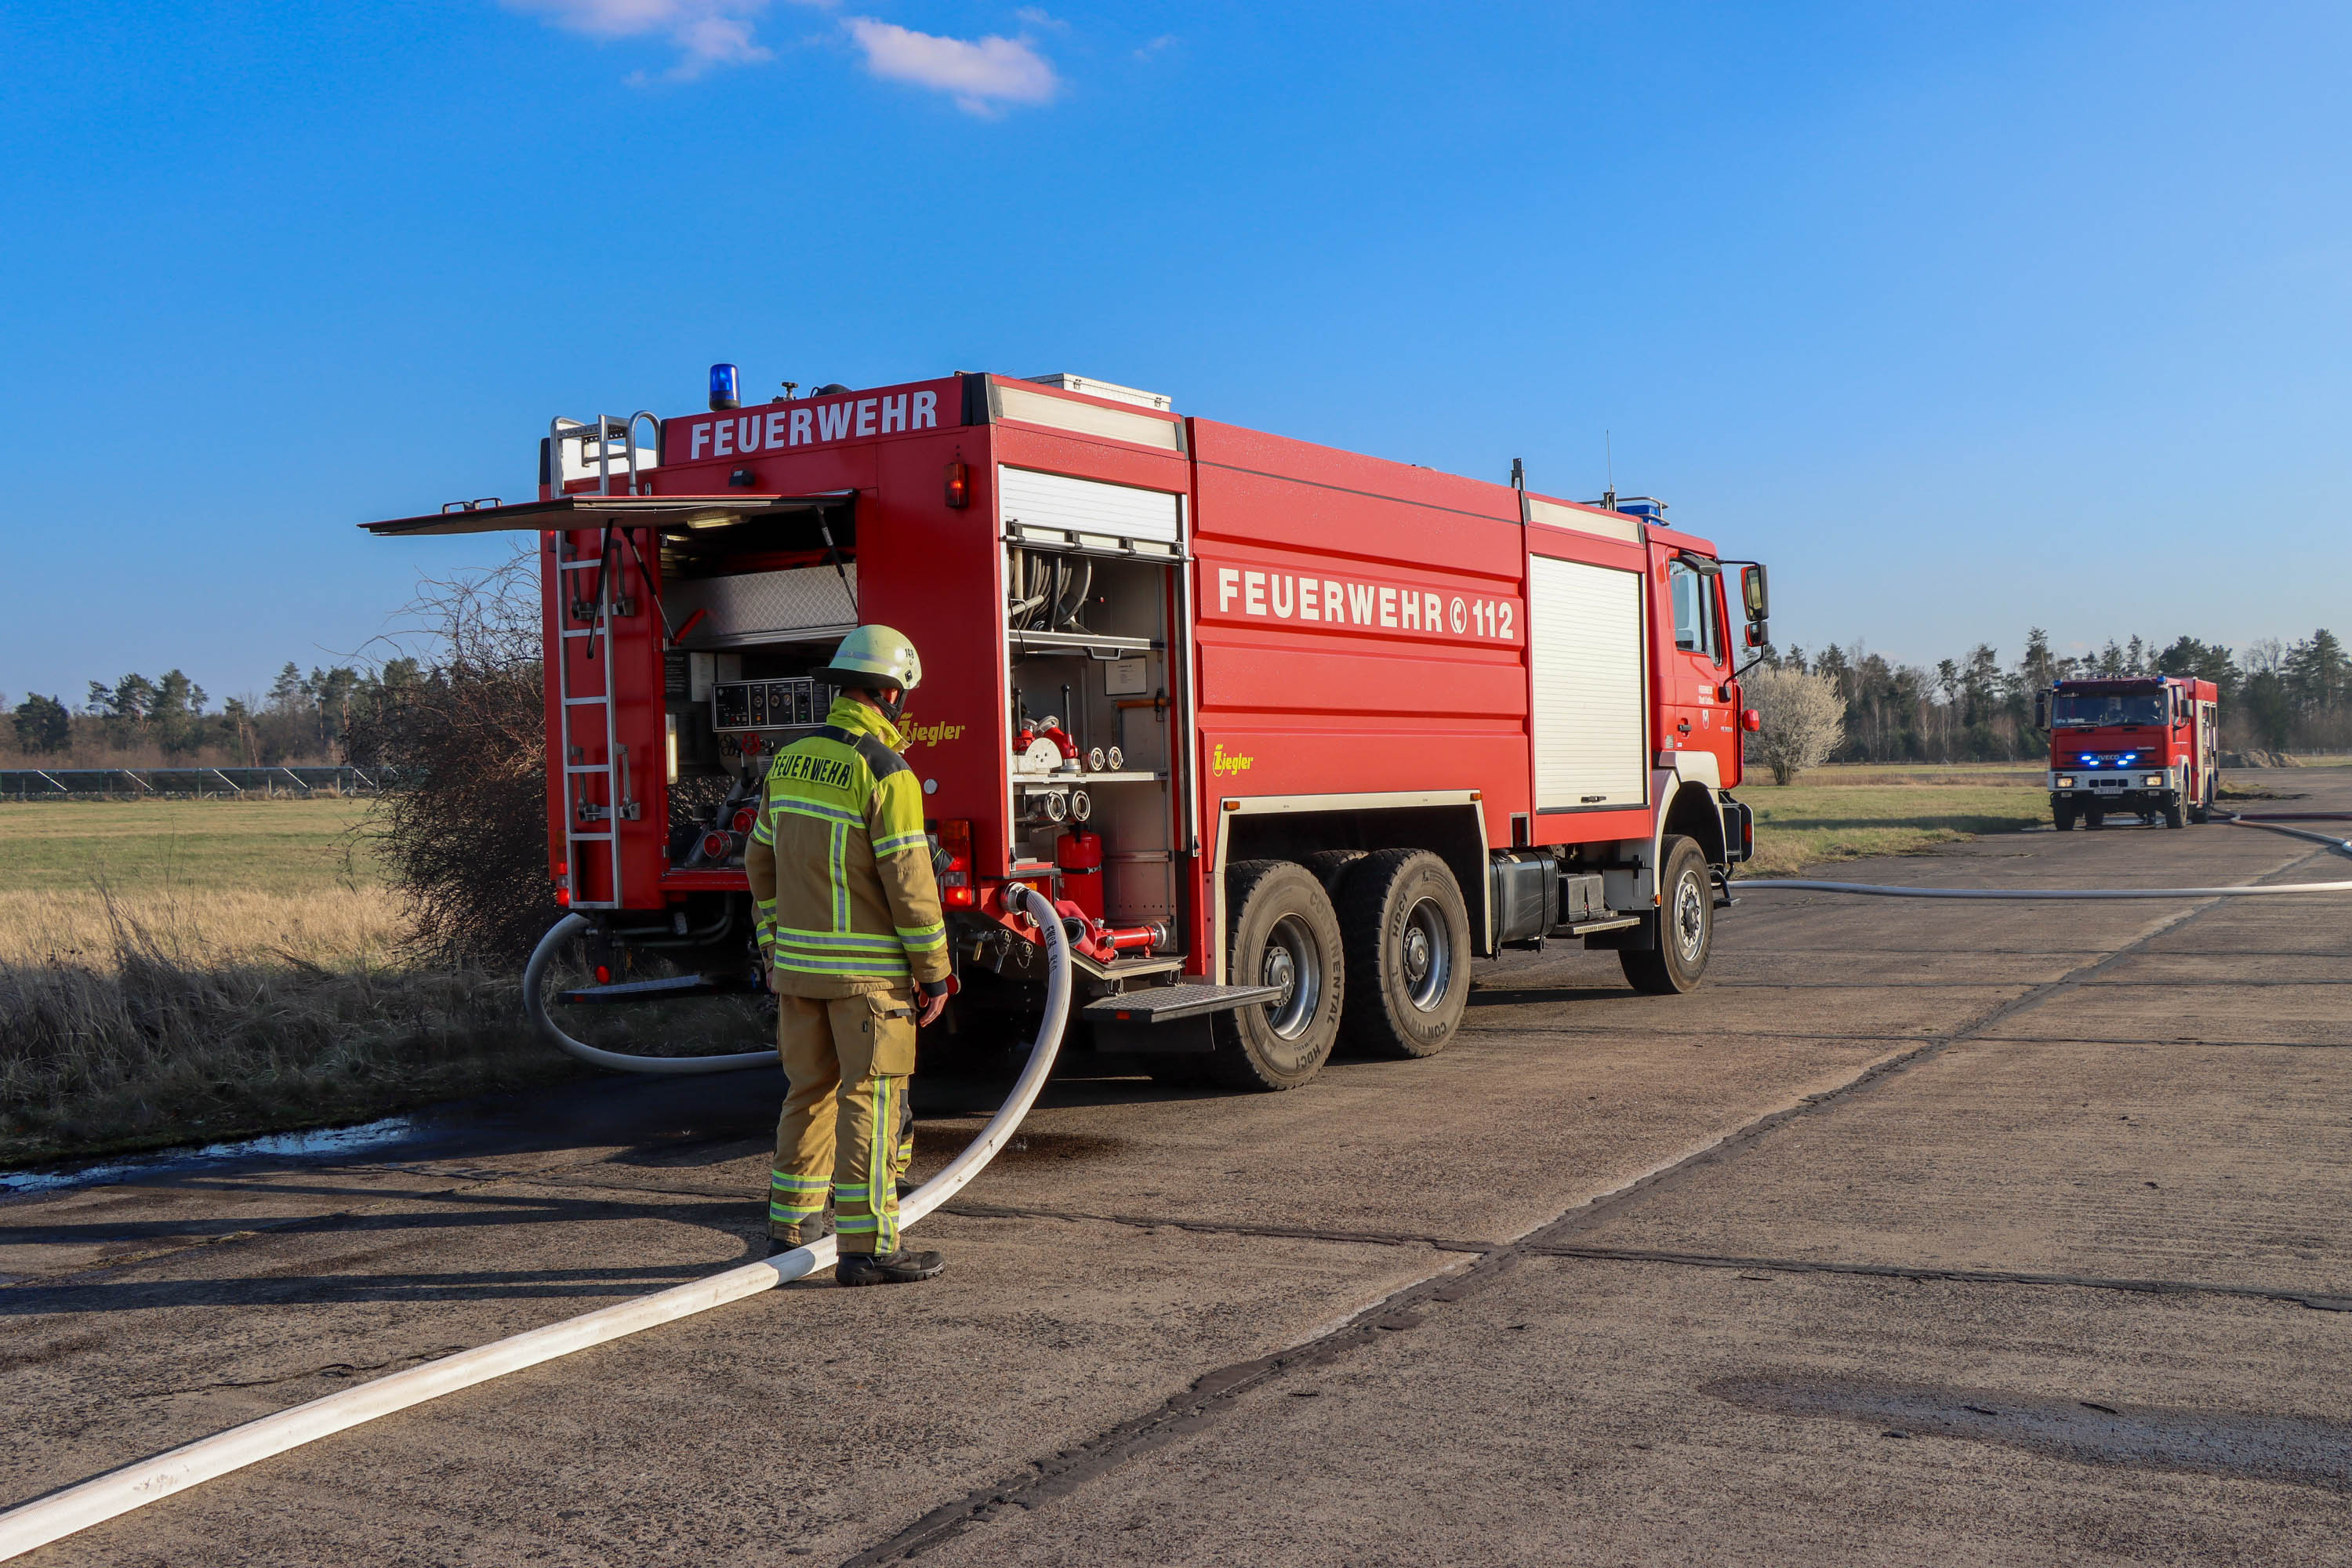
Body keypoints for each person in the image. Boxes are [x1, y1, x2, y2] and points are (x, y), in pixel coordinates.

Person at [742, 625, 953, 1286]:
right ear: (889, 694)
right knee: (872, 1100)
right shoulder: (887, 772)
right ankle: (867, 1250)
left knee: (807, 1093)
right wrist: (935, 971)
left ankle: (789, 1231)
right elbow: (910, 884)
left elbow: (759, 861)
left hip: (799, 971)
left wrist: (776, 944)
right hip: (869, 980)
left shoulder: (790, 759)